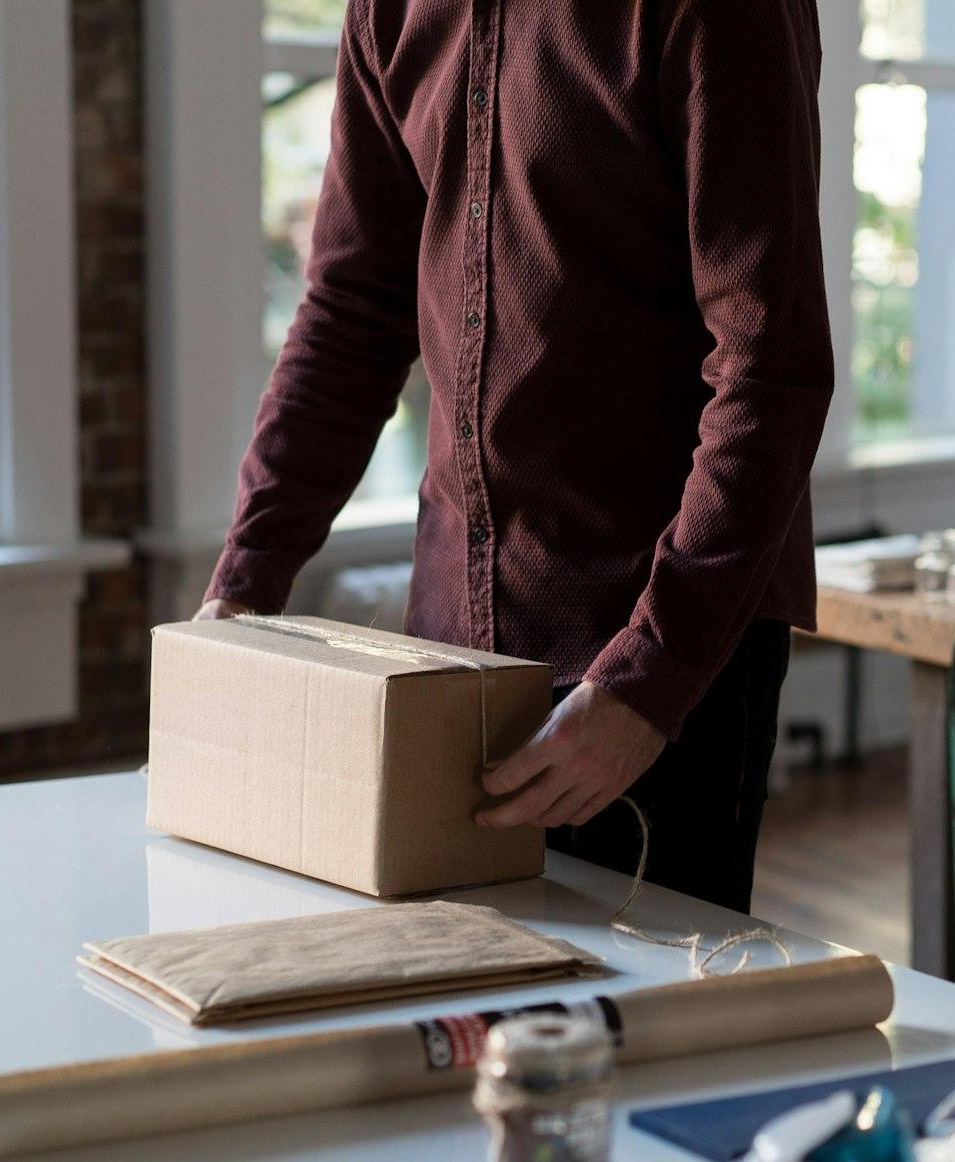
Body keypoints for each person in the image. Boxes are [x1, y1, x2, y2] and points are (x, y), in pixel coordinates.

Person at [197, 0, 833, 914]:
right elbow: (350, 317)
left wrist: (648, 683)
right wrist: (242, 591)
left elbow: (770, 372)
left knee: (640, 1041)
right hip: (448, 661)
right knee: (458, 1030)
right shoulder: (387, 11)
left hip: (660, 658)